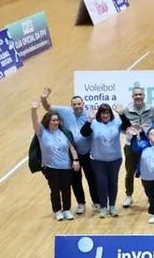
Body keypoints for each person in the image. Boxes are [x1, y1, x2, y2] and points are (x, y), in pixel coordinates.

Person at [40, 87, 97, 215]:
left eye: (79, 104)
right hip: (72, 154)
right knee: (75, 180)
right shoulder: (65, 111)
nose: (77, 106)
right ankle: (81, 203)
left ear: (83, 104)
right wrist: (44, 98)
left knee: (92, 178)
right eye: (74, 104)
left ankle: (96, 201)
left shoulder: (90, 115)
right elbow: (47, 107)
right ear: (71, 106)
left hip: (88, 152)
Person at [80, 103, 132, 218]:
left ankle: (112, 207)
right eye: (103, 113)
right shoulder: (94, 123)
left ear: (110, 114)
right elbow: (84, 133)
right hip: (97, 160)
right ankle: (103, 207)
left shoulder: (116, 122)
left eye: (107, 113)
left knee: (113, 183)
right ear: (99, 114)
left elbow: (127, 127)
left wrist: (122, 114)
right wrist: (89, 120)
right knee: (102, 183)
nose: (105, 115)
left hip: (115, 159)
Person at [31, 100, 79, 220]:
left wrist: (75, 160)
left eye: (57, 120)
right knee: (55, 189)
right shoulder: (42, 132)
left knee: (66, 189)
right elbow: (35, 122)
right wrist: (34, 110)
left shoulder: (63, 132)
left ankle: (67, 209)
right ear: (48, 121)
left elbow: (71, 147)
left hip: (66, 166)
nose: (56, 122)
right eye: (53, 120)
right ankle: (57, 210)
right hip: (50, 167)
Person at [122, 86, 154, 208]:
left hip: (147, 146)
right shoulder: (126, 110)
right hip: (130, 145)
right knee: (129, 172)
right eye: (136, 95)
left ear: (144, 96)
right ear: (132, 96)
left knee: (148, 171)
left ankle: (151, 197)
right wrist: (130, 131)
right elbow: (122, 128)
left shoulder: (152, 109)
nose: (138, 97)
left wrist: (148, 132)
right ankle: (128, 196)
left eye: (140, 94)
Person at [128, 126, 154, 224]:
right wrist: (134, 137)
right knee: (151, 197)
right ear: (148, 136)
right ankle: (153, 213)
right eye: (151, 133)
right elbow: (135, 149)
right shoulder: (143, 145)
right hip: (146, 178)